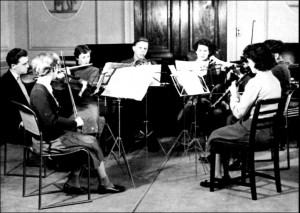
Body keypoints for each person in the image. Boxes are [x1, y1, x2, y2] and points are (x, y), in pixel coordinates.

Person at [30, 51, 125, 195]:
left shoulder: (43, 86)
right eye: (58, 67)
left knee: (87, 141)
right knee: (91, 142)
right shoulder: (39, 93)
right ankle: (105, 183)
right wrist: (73, 122)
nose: (60, 69)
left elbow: (58, 107)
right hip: (49, 141)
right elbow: (50, 122)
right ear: (53, 69)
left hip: (50, 136)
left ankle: (73, 181)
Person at [200, 43, 281, 189]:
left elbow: (238, 113)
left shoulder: (255, 82)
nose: (248, 64)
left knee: (216, 134)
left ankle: (218, 176)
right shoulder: (275, 80)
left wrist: (234, 94)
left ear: (256, 61)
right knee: (226, 128)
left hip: (252, 132)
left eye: (249, 61)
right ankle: (222, 174)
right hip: (269, 132)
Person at [0, 48, 32, 145]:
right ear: (13, 66)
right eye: (24, 64)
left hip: (28, 119)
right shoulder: (4, 83)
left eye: (27, 62)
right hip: (15, 128)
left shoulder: (20, 77)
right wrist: (21, 121)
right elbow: (5, 111)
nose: (28, 66)